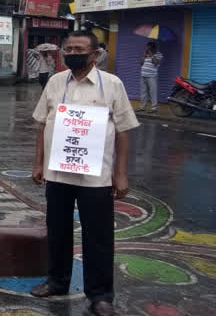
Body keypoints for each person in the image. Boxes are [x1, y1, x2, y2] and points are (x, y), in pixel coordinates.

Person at [31, 31, 139, 316]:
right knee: (57, 230)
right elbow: (42, 125)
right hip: (58, 174)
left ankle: (101, 295)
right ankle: (57, 281)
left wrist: (121, 173)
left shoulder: (112, 85)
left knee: (98, 236)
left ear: (94, 55)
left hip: (96, 177)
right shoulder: (55, 82)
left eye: (79, 49)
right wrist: (38, 163)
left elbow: (124, 132)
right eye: (68, 48)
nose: (72, 53)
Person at [139, 41, 163, 113]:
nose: (147, 48)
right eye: (147, 47)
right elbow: (141, 63)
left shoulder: (158, 54)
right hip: (143, 75)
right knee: (143, 92)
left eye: (149, 47)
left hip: (152, 76)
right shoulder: (146, 54)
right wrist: (144, 56)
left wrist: (152, 55)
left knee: (153, 92)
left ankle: (154, 108)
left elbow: (156, 63)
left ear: (153, 48)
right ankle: (142, 107)